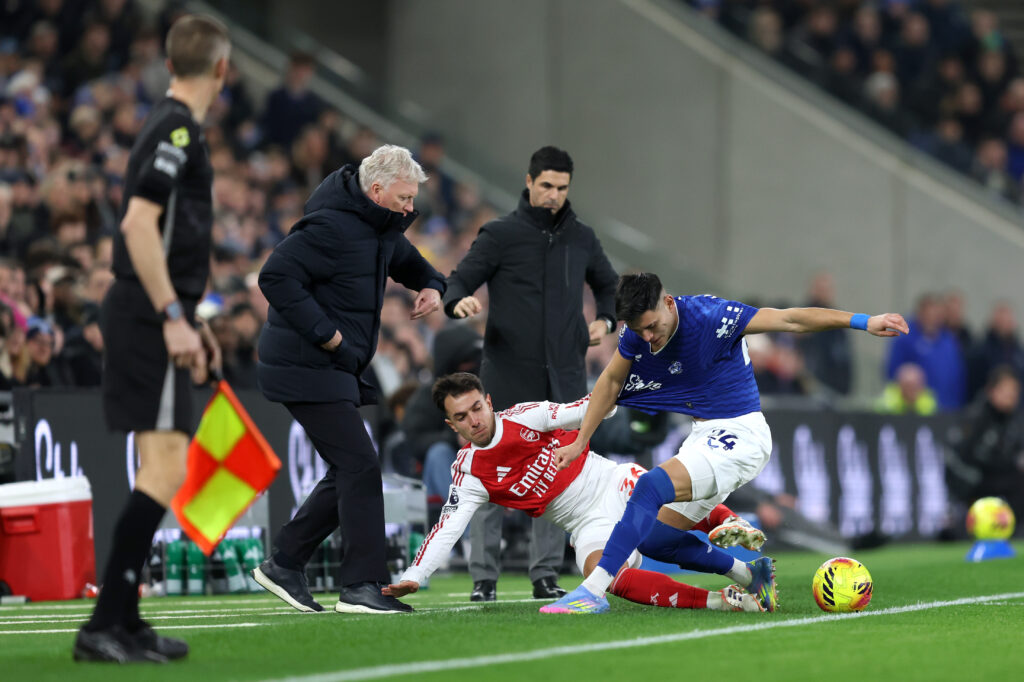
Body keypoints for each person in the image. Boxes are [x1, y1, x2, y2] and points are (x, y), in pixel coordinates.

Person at [543, 272, 909, 614]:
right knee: (653, 538)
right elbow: (609, 382)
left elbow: (791, 319)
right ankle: (751, 575)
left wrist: (864, 321)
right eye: (640, 330)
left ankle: (592, 590)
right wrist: (580, 441)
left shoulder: (712, 315)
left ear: (668, 303)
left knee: (650, 486)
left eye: (652, 326)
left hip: (742, 434)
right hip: (703, 437)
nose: (648, 337)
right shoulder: (637, 335)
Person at [73, 15, 229, 662]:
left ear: (170, 65)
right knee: (166, 469)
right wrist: (172, 315)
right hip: (146, 313)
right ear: (221, 69)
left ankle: (126, 619)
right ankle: (104, 623)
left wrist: (190, 317)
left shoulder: (171, 124)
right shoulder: (178, 129)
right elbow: (139, 225)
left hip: (152, 310)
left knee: (159, 467)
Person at [383, 372, 774, 614]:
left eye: (476, 408)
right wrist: (415, 575)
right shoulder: (469, 472)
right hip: (583, 523)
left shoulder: (527, 417)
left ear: (488, 402)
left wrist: (614, 399)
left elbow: (586, 408)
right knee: (608, 578)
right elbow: (447, 528)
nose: (474, 420)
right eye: (461, 417)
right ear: (451, 425)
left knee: (657, 532)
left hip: (612, 483)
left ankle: (731, 523)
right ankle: (727, 597)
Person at [251, 144, 446, 615]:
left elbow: (413, 264)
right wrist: (328, 335)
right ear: (376, 190)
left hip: (334, 367)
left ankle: (285, 562)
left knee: (350, 467)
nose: (410, 208)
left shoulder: (379, 227)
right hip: (305, 363)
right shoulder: (330, 226)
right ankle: (361, 585)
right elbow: (274, 276)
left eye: (413, 198)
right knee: (359, 465)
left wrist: (432, 286)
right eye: (404, 198)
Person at [442, 146, 618, 602]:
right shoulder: (500, 234)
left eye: (562, 187)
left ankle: (545, 574)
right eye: (546, 186)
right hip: (506, 379)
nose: (554, 195)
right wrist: (457, 301)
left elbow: (609, 285)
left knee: (559, 477)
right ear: (528, 181)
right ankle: (483, 578)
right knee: (488, 477)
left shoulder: (581, 237)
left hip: (564, 379)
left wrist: (606, 320)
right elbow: (460, 278)